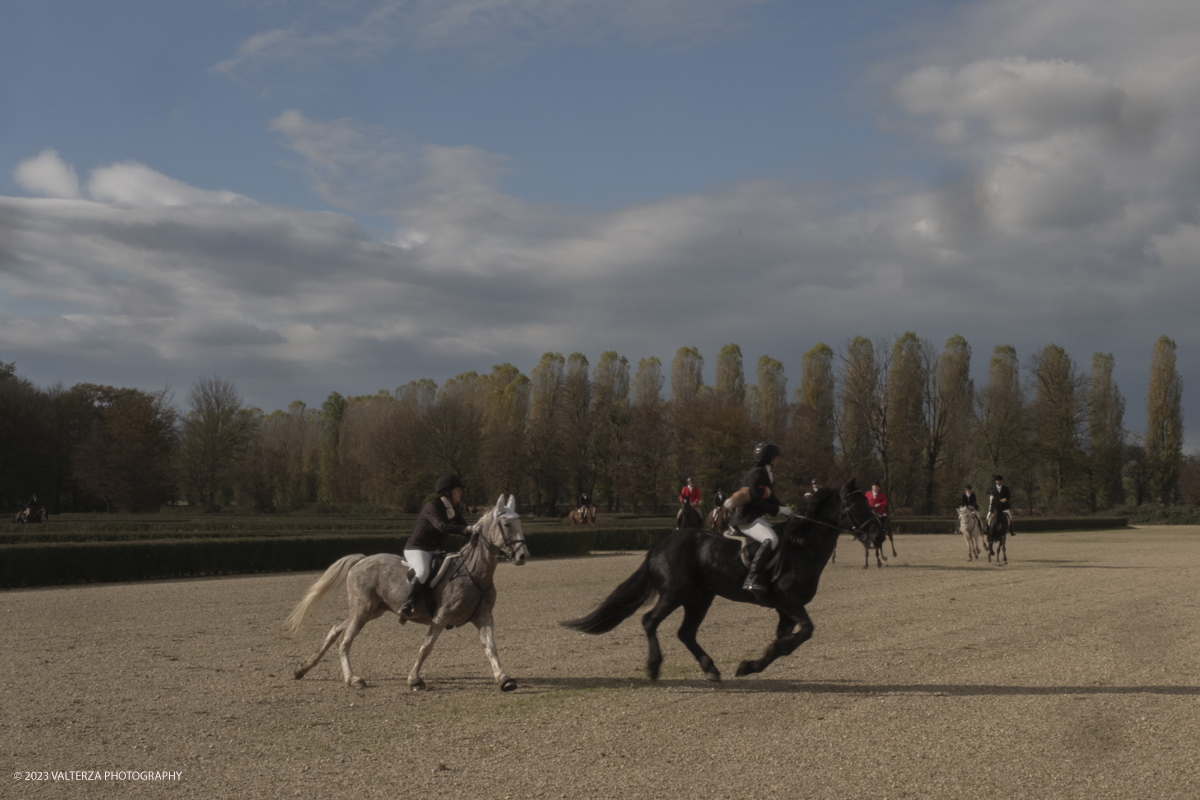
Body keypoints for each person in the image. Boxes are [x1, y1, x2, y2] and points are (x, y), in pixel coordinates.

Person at [400, 475, 480, 621]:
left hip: (436, 551)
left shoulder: (453, 509)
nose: (461, 493)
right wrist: (470, 528)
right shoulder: (432, 507)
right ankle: (408, 604)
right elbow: (442, 526)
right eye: (458, 490)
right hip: (417, 549)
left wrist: (480, 536)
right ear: (447, 492)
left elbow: (464, 529)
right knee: (423, 571)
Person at [722, 442, 793, 599]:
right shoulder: (757, 473)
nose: (777, 462)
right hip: (746, 519)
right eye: (776, 459)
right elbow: (754, 500)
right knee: (771, 538)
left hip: (755, 518)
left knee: (777, 536)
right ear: (771, 459)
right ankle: (752, 577)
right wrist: (778, 510)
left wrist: (787, 511)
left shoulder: (765, 474)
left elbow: (770, 498)